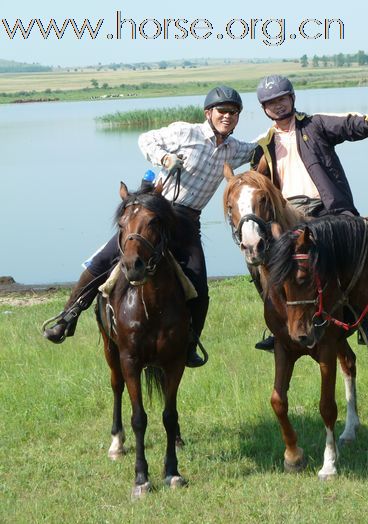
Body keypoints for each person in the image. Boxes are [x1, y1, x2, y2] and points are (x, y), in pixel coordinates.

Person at [43, 86, 257, 367]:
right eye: (222, 111)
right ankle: (68, 315)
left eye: (233, 112)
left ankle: (190, 344)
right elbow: (146, 139)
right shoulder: (186, 132)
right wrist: (166, 158)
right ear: (209, 113)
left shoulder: (234, 149)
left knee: (199, 285)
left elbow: (258, 147)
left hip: (187, 221)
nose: (227, 117)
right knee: (106, 258)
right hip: (156, 210)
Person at [250, 74, 368, 349]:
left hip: (327, 207)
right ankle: (277, 323)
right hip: (288, 213)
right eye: (271, 103)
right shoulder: (262, 146)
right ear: (264, 109)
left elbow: (349, 125)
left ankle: (364, 318)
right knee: (260, 260)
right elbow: (255, 184)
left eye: (282, 99)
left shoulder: (315, 125)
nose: (278, 106)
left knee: (353, 252)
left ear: (292, 98)